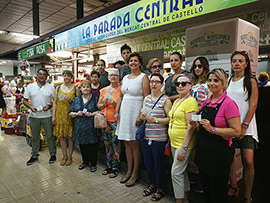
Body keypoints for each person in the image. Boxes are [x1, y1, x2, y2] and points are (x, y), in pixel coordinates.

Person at [191, 68, 241, 203]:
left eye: (216, 81)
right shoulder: (207, 102)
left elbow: (236, 131)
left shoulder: (229, 104)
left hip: (219, 154)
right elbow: (203, 126)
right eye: (210, 80)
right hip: (204, 152)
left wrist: (212, 129)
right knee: (207, 188)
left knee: (218, 189)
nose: (212, 83)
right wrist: (197, 126)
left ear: (224, 83)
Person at [115, 52, 150, 187]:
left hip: (136, 113)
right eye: (131, 61)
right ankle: (129, 171)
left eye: (135, 61)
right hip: (125, 113)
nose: (133, 63)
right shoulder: (125, 77)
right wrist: (117, 111)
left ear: (140, 63)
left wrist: (140, 115)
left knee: (135, 144)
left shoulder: (144, 77)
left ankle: (136, 173)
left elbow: (147, 98)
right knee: (127, 143)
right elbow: (120, 96)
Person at [227, 51, 259, 203]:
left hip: (246, 127)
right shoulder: (228, 80)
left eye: (240, 61)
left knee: (248, 162)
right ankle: (233, 187)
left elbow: (253, 106)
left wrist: (244, 126)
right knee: (230, 159)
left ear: (246, 64)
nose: (237, 63)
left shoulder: (250, 80)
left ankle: (247, 196)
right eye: (234, 61)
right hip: (230, 127)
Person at [140, 73, 172, 201]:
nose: (153, 84)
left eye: (156, 82)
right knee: (148, 163)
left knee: (158, 165)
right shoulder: (146, 98)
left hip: (159, 138)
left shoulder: (166, 100)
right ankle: (152, 185)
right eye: (152, 81)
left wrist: (156, 120)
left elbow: (170, 119)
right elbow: (143, 112)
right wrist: (143, 116)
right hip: (147, 136)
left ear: (161, 84)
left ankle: (160, 188)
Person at [168, 72, 198, 203]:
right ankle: (185, 199)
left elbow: (191, 127)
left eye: (183, 83)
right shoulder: (177, 100)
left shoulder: (191, 101)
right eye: (178, 84)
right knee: (181, 172)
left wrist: (184, 147)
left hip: (183, 144)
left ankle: (179, 201)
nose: (180, 86)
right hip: (174, 142)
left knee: (176, 173)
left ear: (190, 85)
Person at [23, 68, 56, 165]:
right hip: (34, 116)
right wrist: (31, 107)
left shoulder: (51, 87)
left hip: (47, 116)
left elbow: (55, 102)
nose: (41, 76)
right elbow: (24, 100)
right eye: (40, 74)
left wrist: (49, 106)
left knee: (50, 136)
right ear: (37, 75)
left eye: (44, 74)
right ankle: (34, 155)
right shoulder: (30, 87)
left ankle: (53, 154)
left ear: (47, 76)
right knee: (35, 137)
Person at [188, 56, 210, 193]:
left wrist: (196, 120)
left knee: (201, 154)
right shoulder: (191, 82)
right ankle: (195, 177)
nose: (197, 69)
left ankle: (202, 181)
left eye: (200, 66)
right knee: (192, 152)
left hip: (201, 122)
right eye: (195, 66)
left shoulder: (208, 83)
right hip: (191, 122)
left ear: (205, 67)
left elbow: (204, 106)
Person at [69, 80, 99, 172]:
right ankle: (85, 162)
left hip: (91, 126)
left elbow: (100, 111)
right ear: (80, 89)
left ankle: (93, 164)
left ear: (90, 88)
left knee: (92, 146)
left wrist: (92, 114)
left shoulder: (95, 99)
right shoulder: (77, 99)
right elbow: (70, 113)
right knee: (82, 146)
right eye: (83, 87)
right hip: (80, 127)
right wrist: (77, 113)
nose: (85, 88)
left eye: (87, 87)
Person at [97, 68, 121, 178]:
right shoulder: (103, 90)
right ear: (108, 77)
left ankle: (115, 167)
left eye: (115, 75)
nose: (113, 77)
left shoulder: (121, 90)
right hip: (105, 121)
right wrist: (103, 104)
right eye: (111, 75)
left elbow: (122, 106)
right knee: (107, 145)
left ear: (118, 77)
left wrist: (114, 103)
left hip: (116, 121)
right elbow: (98, 105)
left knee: (116, 144)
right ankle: (109, 165)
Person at [52, 70, 77, 166]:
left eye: (68, 76)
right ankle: (64, 156)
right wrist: (53, 116)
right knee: (61, 137)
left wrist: (71, 100)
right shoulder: (58, 88)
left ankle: (70, 156)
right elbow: (55, 102)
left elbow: (78, 102)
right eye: (64, 75)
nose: (66, 77)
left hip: (70, 115)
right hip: (60, 114)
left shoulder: (75, 88)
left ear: (71, 77)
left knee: (70, 137)